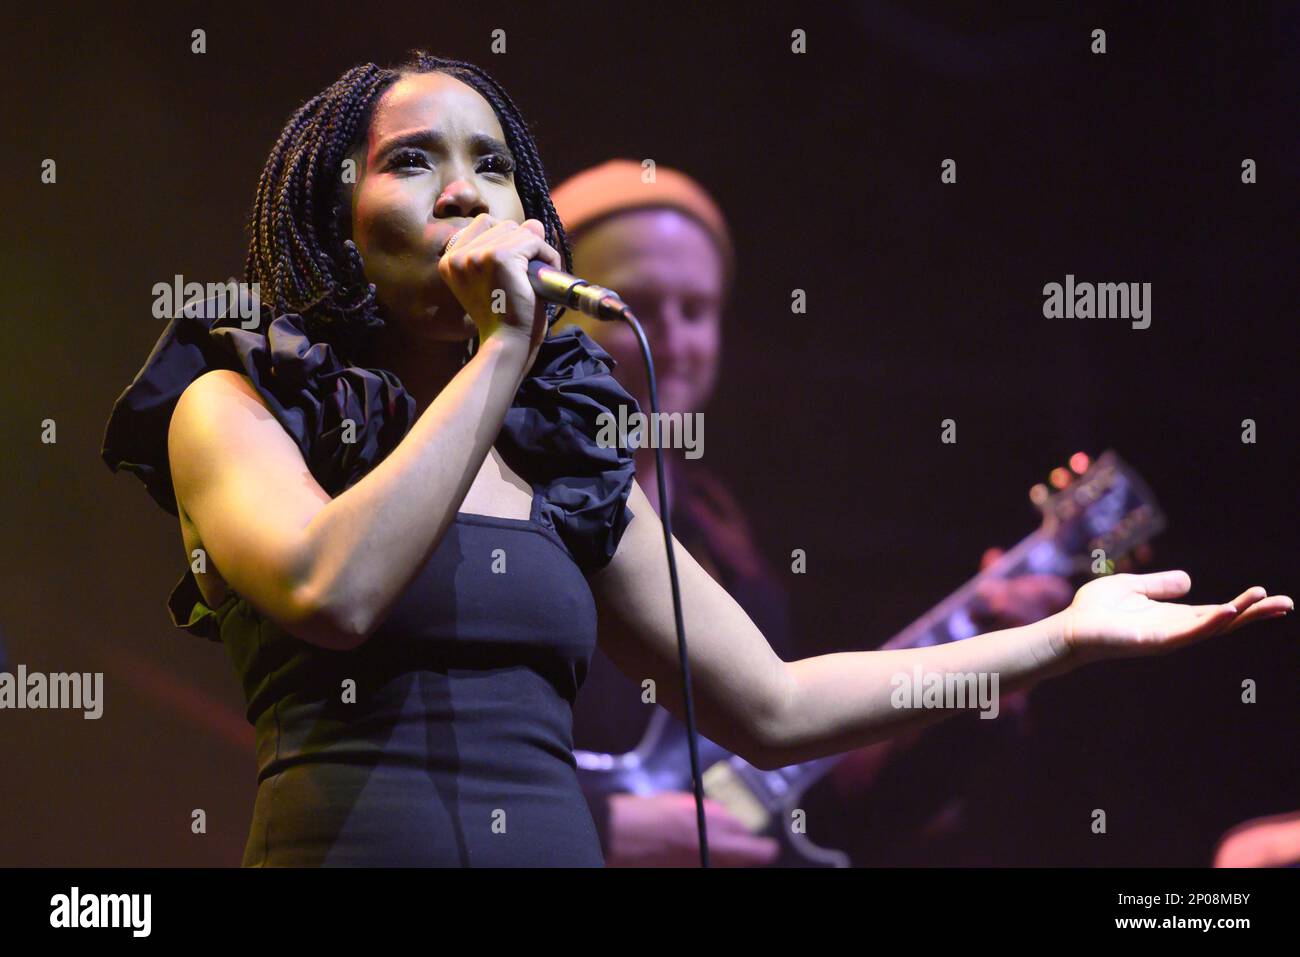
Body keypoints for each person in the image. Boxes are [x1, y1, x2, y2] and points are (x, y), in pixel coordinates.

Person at [102, 53, 1291, 868]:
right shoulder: (236, 405)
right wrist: (507, 347)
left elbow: (774, 705)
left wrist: (1060, 639)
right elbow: (334, 589)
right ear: (330, 211)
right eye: (411, 160)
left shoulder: (556, 460)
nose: (465, 189)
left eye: (492, 161)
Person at [551, 160, 1071, 866]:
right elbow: (400, 754)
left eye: (696, 310)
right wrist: (602, 825)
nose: (670, 338)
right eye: (634, 304)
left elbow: (818, 814)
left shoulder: (731, 558)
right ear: (552, 321)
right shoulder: (500, 510)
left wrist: (986, 687)